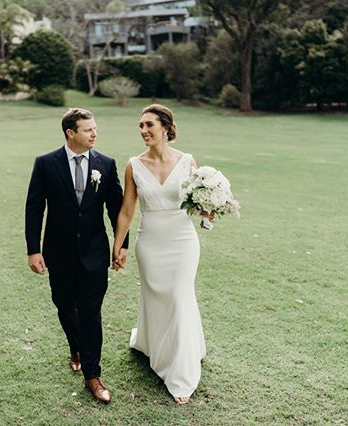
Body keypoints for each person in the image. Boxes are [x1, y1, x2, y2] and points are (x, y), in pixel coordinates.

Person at [25, 108, 128, 404]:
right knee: (64, 305)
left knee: (91, 313)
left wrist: (121, 245)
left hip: (94, 253)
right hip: (58, 252)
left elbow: (116, 208)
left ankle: (93, 376)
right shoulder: (45, 164)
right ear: (71, 133)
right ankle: (76, 347)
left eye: (95, 128)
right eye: (88, 130)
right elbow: (34, 208)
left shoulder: (105, 165)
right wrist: (34, 249)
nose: (94, 133)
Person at [111, 104, 210, 404]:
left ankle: (180, 376)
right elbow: (128, 210)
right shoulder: (133, 165)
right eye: (140, 126)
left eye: (149, 125)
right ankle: (154, 345)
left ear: (166, 127)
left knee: (180, 298)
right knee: (157, 300)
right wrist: (118, 245)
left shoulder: (188, 161)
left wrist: (209, 211)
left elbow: (198, 203)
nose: (143, 131)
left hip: (182, 241)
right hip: (150, 242)